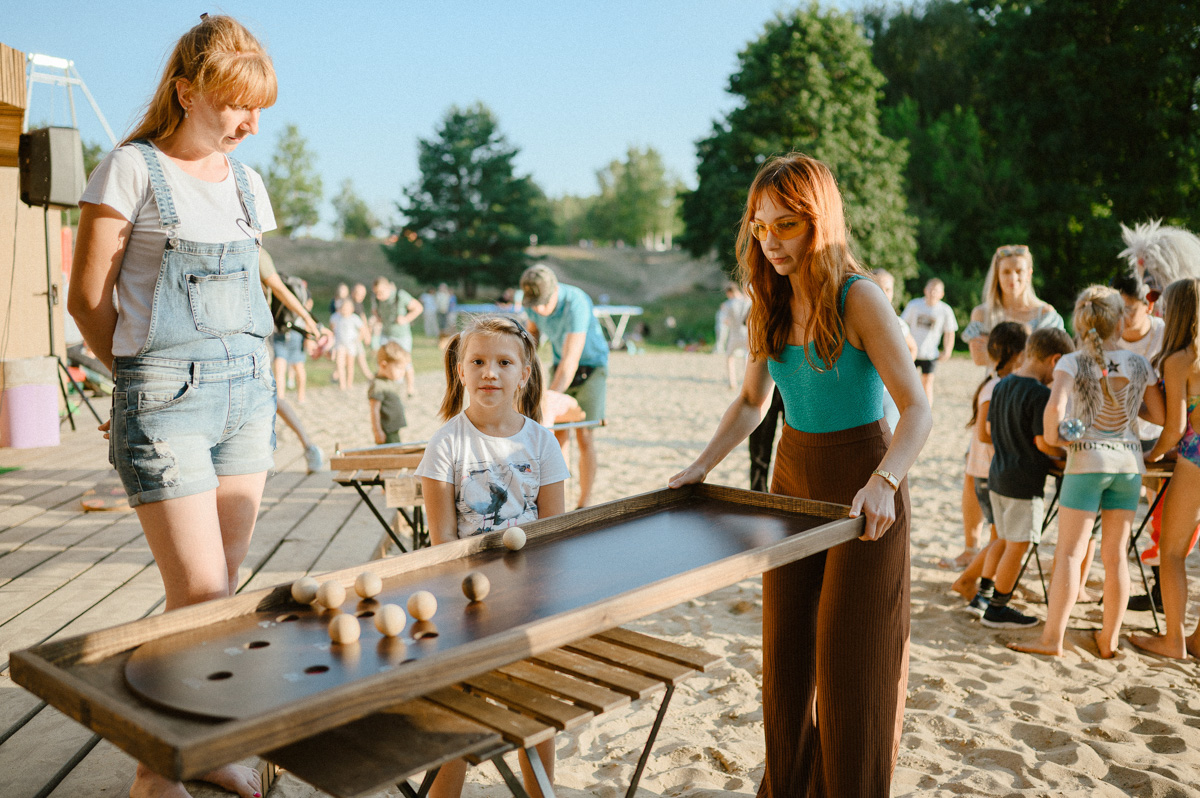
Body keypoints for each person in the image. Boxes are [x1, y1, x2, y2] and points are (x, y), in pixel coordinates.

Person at [667, 153, 931, 796]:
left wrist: (885, 482)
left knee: (849, 663)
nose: (770, 241)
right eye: (760, 226)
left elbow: (919, 409)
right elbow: (754, 402)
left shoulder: (859, 296)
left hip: (865, 487)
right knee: (785, 658)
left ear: (820, 221)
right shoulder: (769, 299)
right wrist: (700, 467)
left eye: (785, 224)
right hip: (789, 479)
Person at [67, 15, 275, 798]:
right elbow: (89, 301)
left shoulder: (249, 184)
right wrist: (140, 382)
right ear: (186, 92)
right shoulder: (129, 169)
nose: (250, 125)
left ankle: (198, 748)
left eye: (259, 109)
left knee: (219, 592)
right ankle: (161, 772)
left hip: (248, 401)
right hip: (164, 402)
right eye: (234, 106)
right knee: (201, 595)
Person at [415, 315, 568, 798]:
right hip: (466, 601)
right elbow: (441, 543)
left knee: (532, 702)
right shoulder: (446, 444)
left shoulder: (542, 443)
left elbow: (553, 535)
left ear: (524, 373)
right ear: (460, 371)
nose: (490, 373)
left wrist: (533, 592)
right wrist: (471, 593)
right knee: (457, 707)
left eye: (504, 362)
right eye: (477, 361)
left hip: (529, 595)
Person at [1011, 286, 1162, 659]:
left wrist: (1063, 435)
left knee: (1068, 554)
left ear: (1079, 321)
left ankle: (1052, 639)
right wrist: (1127, 410)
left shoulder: (1071, 362)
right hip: (1128, 466)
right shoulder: (1139, 364)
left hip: (1087, 463)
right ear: (1119, 319)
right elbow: (1158, 416)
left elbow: (1053, 418)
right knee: (1116, 557)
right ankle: (1109, 640)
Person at [957, 246, 1065, 569]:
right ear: (997, 275)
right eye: (1006, 271)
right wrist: (1022, 351)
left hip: (1029, 401)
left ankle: (1001, 550)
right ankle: (970, 546)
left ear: (1029, 273)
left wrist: (998, 345)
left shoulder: (1046, 312)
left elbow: (1047, 360)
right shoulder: (983, 311)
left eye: (1019, 271)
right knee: (974, 468)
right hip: (992, 397)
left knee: (1015, 472)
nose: (1013, 278)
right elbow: (978, 357)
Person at [975, 328, 1074, 628]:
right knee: (1018, 546)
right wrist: (1067, 450)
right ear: (1055, 360)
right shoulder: (1040, 394)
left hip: (999, 476)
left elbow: (990, 430)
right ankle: (998, 608)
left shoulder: (1002, 385)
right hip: (1023, 482)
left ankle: (983, 593)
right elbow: (1043, 442)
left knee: (1002, 540)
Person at [1130, 278, 1200, 659]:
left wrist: (1153, 456)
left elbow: (1173, 428)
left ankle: (1173, 640)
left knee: (1172, 553)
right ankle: (1198, 638)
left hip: (1196, 456)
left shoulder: (1180, 359)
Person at [954, 322, 1028, 614]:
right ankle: (968, 581)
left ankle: (982, 585)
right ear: (1014, 353)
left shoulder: (999, 383)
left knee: (1000, 536)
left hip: (990, 470)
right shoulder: (994, 386)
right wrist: (1014, 445)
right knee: (1000, 538)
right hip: (988, 472)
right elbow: (984, 433)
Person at [521, 264, 610, 508]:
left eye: (542, 302)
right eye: (533, 303)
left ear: (555, 291)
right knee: (557, 436)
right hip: (559, 365)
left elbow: (572, 358)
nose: (538, 308)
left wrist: (549, 398)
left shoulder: (576, 302)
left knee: (584, 434)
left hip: (590, 367)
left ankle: (584, 502)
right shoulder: (531, 303)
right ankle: (554, 501)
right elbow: (532, 338)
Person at [1110, 272, 1170, 610]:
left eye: (1128, 309)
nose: (1121, 317)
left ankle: (1159, 593)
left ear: (1149, 304)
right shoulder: (1108, 334)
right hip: (1117, 439)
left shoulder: (1163, 335)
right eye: (1115, 308)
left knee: (1160, 513)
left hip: (1157, 437)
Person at [258, 248, 328, 472]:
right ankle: (308, 445)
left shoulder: (256, 250)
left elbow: (279, 288)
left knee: (273, 397)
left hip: (252, 340)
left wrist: (309, 320)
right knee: (271, 397)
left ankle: (308, 445)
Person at [872, 268, 918, 431]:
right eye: (877, 287)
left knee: (889, 436)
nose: (883, 292)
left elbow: (912, 348)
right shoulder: (854, 321)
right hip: (865, 394)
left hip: (890, 392)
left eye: (888, 289)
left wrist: (898, 371)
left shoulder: (898, 323)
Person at [901, 278, 958, 407]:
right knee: (909, 382)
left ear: (941, 294)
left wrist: (948, 350)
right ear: (925, 290)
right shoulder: (914, 305)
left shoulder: (945, 310)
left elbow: (950, 332)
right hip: (912, 351)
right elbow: (903, 326)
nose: (932, 293)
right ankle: (907, 408)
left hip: (930, 353)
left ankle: (927, 411)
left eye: (936, 290)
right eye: (930, 289)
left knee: (927, 382)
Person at [371, 277, 421, 396]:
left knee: (405, 362)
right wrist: (377, 318)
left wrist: (406, 319)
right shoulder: (377, 299)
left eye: (380, 292)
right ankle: (387, 388)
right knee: (383, 362)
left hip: (401, 336)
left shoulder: (400, 295)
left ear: (388, 288)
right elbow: (375, 310)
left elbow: (418, 308)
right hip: (386, 334)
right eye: (376, 293)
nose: (378, 296)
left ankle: (410, 389)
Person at [368, 342, 409, 444]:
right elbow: (374, 411)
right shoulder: (378, 385)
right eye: (399, 368)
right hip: (386, 432)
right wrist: (377, 432)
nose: (403, 372)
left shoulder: (390, 381)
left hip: (393, 429)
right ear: (383, 365)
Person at [716, 282, 752, 389]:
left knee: (730, 358)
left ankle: (732, 382)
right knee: (746, 358)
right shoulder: (747, 301)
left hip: (734, 335)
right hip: (746, 334)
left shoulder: (728, 304)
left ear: (729, 293)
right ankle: (747, 382)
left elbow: (724, 321)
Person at [330, 298, 367, 391]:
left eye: (347, 308)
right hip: (340, 344)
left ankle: (349, 383)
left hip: (351, 344)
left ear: (352, 309)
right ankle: (342, 384)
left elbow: (362, 330)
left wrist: (358, 340)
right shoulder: (336, 317)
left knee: (350, 364)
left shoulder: (354, 318)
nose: (344, 309)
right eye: (343, 307)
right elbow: (332, 327)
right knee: (340, 363)